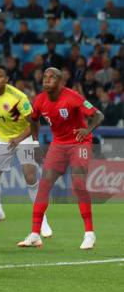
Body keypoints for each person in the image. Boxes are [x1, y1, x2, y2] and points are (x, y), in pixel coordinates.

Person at [18, 68, 104, 249]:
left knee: (78, 184)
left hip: (79, 143)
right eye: (45, 77)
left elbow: (98, 115)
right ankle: (34, 234)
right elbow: (33, 120)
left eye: (52, 77)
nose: (46, 80)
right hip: (58, 145)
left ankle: (89, 234)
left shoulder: (73, 97)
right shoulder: (40, 100)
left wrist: (87, 130)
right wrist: (35, 144)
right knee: (44, 186)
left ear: (61, 82)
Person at [0, 66, 51, 236]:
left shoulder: (19, 98)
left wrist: (28, 143)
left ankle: (42, 220)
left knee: (30, 175)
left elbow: (34, 123)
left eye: (0, 76)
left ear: (6, 79)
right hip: (2, 139)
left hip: (23, 137)